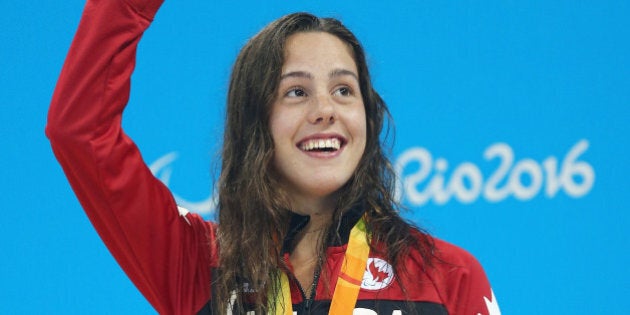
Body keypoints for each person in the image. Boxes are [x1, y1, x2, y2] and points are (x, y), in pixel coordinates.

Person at [47, 0, 500, 314]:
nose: (325, 110)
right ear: (254, 122)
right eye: (296, 92)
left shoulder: (448, 277)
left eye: (344, 90)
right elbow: (80, 131)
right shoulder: (195, 263)